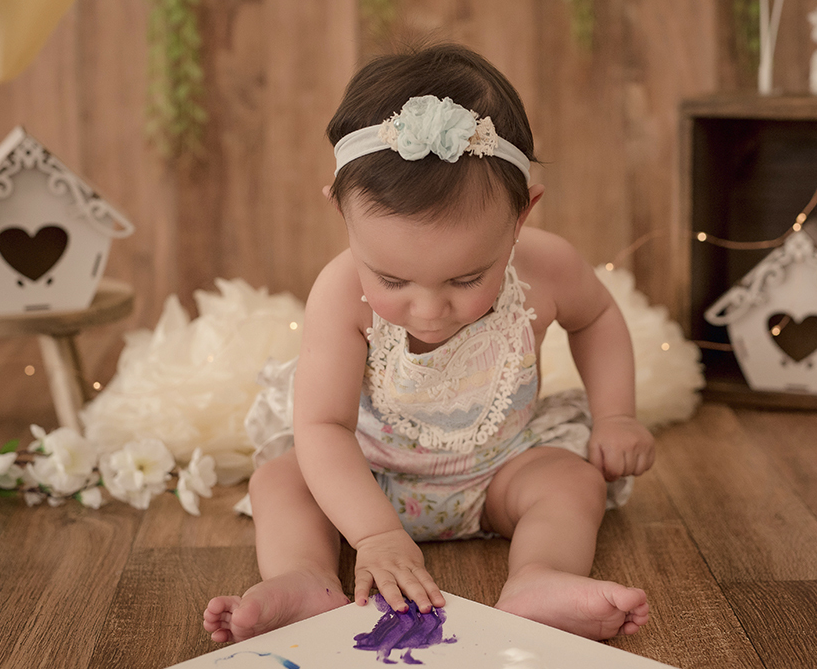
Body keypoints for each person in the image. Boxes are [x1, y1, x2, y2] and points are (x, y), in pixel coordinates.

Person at [203, 43, 655, 644]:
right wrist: (373, 535)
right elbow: (323, 427)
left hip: (499, 474)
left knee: (573, 481)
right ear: (342, 211)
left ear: (522, 216)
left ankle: (539, 576)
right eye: (391, 279)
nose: (428, 308)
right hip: (366, 477)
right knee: (281, 481)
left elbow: (595, 318)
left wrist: (617, 414)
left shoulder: (547, 270)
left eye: (467, 278)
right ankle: (305, 578)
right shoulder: (340, 295)